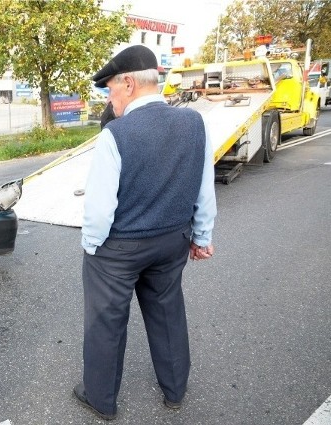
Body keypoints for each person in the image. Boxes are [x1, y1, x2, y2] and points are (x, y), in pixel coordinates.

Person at [73, 45, 217, 421]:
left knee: (106, 320)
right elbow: (204, 187)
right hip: (172, 240)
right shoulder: (194, 123)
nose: (110, 98)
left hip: (120, 247)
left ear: (128, 83)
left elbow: (100, 208)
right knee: (167, 311)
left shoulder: (116, 135)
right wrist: (201, 236)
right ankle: (175, 391)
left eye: (110, 90)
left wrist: (91, 247)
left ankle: (101, 399)